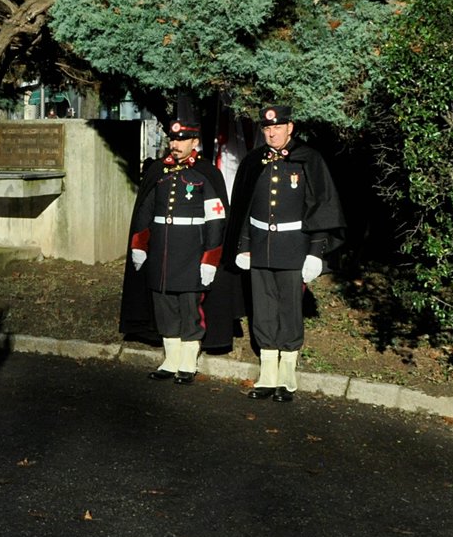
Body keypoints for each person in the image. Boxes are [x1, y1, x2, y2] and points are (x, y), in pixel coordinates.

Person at [227, 103, 345, 402]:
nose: (272, 133)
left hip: (294, 248)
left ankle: (288, 371)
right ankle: (267, 373)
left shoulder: (308, 159)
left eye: (277, 127)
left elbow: (321, 208)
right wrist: (243, 245)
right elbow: (245, 208)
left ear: (290, 128)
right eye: (267, 128)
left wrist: (315, 252)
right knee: (262, 307)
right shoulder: (255, 161)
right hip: (260, 247)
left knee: (290, 307)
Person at [123, 98, 229, 384]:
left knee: (188, 307)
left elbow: (216, 219)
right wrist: (139, 245)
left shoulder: (206, 173)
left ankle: (187, 362)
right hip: (161, 254)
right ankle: (170, 361)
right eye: (173, 140)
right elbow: (145, 211)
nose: (175, 145)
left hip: (191, 254)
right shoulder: (159, 171)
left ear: (194, 141)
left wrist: (210, 259)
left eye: (182, 140)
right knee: (164, 305)